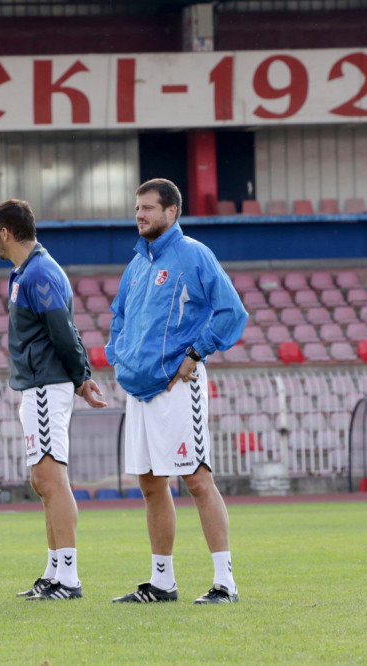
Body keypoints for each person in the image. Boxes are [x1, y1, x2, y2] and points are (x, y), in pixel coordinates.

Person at [106, 179, 248, 605]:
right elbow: (119, 317)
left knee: (197, 480)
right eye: (137, 208)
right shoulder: (136, 265)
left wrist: (196, 352)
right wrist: (119, 357)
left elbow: (232, 311)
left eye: (148, 208)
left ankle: (225, 583)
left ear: (172, 213)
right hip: (140, 390)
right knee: (151, 484)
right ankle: (162, 582)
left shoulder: (194, 255)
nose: (140, 215)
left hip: (178, 388)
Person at [0, 198, 108, 602]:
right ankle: (54, 571)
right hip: (37, 384)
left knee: (52, 478)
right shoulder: (26, 271)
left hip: (45, 385)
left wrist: (81, 377)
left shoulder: (39, 272)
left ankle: (69, 578)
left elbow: (62, 329)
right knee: (43, 481)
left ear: (6, 232)